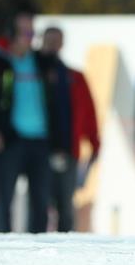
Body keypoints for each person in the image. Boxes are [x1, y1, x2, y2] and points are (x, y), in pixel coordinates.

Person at [0, 12, 62, 233]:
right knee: (4, 200)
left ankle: (39, 248)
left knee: (42, 201)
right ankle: (2, 248)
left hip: (40, 140)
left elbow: (58, 103)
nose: (29, 38)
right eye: (25, 32)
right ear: (11, 34)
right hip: (10, 140)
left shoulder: (42, 63)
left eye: (32, 32)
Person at [39, 26, 101, 232]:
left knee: (66, 205)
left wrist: (94, 142)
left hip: (68, 150)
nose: (53, 45)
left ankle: (65, 247)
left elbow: (89, 112)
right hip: (39, 151)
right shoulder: (33, 74)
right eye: (50, 40)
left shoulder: (74, 78)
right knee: (39, 205)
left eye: (57, 40)